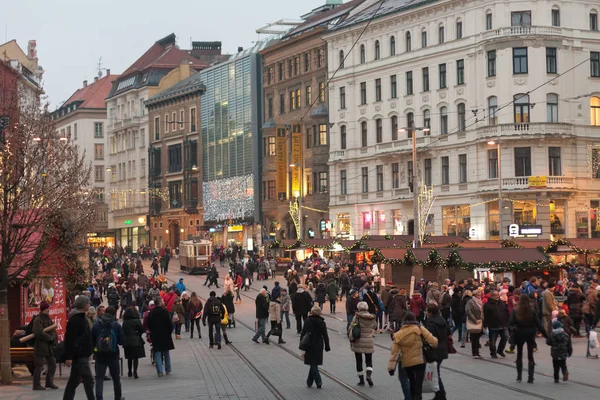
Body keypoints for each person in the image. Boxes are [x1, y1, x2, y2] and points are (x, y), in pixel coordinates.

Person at [388, 312, 438, 400]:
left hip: (407, 364)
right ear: (414, 319)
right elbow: (434, 342)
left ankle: (411, 397)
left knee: (411, 383)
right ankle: (417, 397)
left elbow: (395, 353)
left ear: (404, 320)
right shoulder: (420, 329)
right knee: (418, 385)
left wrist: (391, 368)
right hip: (420, 362)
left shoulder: (399, 334)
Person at [62, 295, 95, 400]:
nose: (89, 305)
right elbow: (70, 339)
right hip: (80, 355)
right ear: (84, 305)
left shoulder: (81, 317)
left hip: (81, 354)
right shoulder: (76, 319)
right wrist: (69, 357)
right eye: (88, 303)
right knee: (89, 380)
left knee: (74, 381)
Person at [509, 294, 547, 383]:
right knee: (530, 355)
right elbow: (539, 325)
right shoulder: (532, 311)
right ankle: (531, 377)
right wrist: (546, 336)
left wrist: (513, 331)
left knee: (519, 354)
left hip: (519, 333)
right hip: (530, 333)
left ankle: (519, 376)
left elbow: (510, 324)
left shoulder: (516, 311)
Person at [91, 306, 125, 400]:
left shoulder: (97, 324)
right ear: (114, 314)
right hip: (113, 354)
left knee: (99, 378)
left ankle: (99, 397)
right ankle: (117, 397)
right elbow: (122, 341)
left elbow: (92, 339)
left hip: (100, 355)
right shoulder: (116, 325)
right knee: (116, 378)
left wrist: (95, 350)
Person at [424, 304, 450, 400]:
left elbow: (428, 338)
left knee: (436, 374)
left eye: (427, 311)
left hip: (434, 351)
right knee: (436, 372)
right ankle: (439, 395)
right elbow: (448, 332)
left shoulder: (430, 324)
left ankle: (441, 394)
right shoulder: (442, 320)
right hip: (443, 349)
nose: (426, 313)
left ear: (430, 312)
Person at [348, 301, 377, 386]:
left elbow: (351, 327)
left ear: (359, 308)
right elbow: (375, 326)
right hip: (369, 341)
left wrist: (350, 337)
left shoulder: (356, 317)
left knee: (359, 360)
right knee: (369, 360)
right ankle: (368, 375)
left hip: (358, 341)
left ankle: (361, 380)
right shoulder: (372, 317)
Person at [301, 306, 330, 389]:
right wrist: (327, 346)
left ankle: (318, 381)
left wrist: (302, 345)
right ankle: (309, 382)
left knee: (313, 363)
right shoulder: (322, 322)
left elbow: (303, 333)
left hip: (309, 344)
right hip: (318, 344)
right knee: (314, 363)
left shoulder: (307, 321)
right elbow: (325, 335)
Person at [32, 301, 58, 390]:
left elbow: (53, 329)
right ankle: (36, 384)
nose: (48, 310)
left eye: (48, 308)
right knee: (39, 366)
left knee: (53, 364)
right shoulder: (37, 319)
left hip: (49, 347)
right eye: (47, 309)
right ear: (42, 309)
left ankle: (49, 382)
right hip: (40, 346)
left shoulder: (48, 319)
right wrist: (49, 338)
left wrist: (53, 338)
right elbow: (38, 332)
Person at [147, 297, 175, 377]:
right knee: (166, 352)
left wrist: (153, 332)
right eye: (162, 301)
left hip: (155, 335)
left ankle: (159, 371)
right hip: (165, 335)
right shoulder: (165, 312)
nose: (163, 302)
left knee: (157, 353)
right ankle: (168, 369)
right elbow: (169, 324)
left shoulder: (151, 313)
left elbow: (149, 325)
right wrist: (169, 332)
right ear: (159, 302)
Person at [483, 289, 509, 358]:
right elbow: (485, 315)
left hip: (503, 324)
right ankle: (493, 353)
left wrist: (508, 321)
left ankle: (500, 350)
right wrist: (485, 324)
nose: (497, 296)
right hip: (493, 325)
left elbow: (506, 312)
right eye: (495, 295)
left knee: (505, 337)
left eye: (497, 295)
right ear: (491, 296)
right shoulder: (487, 305)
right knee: (493, 340)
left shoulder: (502, 303)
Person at [122, 307, 145, 379]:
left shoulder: (125, 322)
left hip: (127, 341)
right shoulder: (137, 320)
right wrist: (138, 334)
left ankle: (129, 371)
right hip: (136, 340)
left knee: (129, 357)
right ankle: (135, 372)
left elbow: (123, 331)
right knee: (135, 357)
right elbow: (142, 329)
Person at [465, 288, 484, 359]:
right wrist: (474, 319)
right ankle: (474, 352)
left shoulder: (480, 302)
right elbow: (468, 311)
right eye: (478, 295)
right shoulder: (471, 302)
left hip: (480, 321)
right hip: (473, 321)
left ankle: (477, 352)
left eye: (480, 295)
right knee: (474, 337)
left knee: (478, 336)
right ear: (475, 295)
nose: (479, 296)